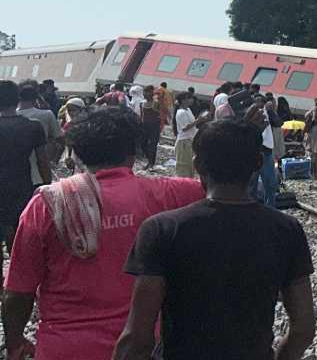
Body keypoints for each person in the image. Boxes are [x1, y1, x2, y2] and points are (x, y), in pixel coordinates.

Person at [2, 107, 205, 360]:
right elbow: (224, 188)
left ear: (77, 153)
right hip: (139, 347)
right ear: (133, 151)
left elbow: (19, 291)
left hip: (64, 347)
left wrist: (15, 341)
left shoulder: (47, 204)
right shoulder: (168, 193)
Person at [113, 117, 316, 360]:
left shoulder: (163, 229)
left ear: (198, 165)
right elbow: (303, 328)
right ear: (258, 163)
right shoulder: (286, 229)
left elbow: (138, 337)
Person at [0, 82, 50, 253]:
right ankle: (16, 272)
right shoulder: (33, 126)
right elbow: (42, 161)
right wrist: (47, 186)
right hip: (21, 185)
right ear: (17, 100)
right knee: (18, 232)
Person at [17, 82, 62, 171]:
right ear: (36, 98)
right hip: (41, 164)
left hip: (16, 167)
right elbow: (59, 138)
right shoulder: (47, 114)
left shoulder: (10, 116)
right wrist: (55, 159)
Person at [250, 96, 279, 209]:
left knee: (270, 183)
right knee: (252, 183)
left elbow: (278, 123)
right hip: (256, 151)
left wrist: (272, 111)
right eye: (257, 102)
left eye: (261, 102)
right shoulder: (251, 116)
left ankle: (270, 207)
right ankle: (251, 207)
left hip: (267, 152)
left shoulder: (268, 113)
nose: (260, 105)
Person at [173, 94, 198, 178]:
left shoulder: (188, 110)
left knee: (189, 165)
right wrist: (199, 120)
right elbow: (185, 128)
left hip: (189, 140)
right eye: (189, 98)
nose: (191, 100)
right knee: (183, 167)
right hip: (184, 142)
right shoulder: (181, 112)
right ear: (183, 100)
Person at [138, 87, 162, 170]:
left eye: (146, 92)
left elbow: (159, 115)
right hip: (144, 126)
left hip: (154, 126)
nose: (144, 94)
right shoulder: (142, 103)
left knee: (153, 145)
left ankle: (151, 163)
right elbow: (142, 116)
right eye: (144, 92)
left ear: (151, 93)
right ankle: (149, 160)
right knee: (142, 144)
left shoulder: (156, 103)